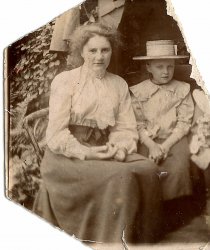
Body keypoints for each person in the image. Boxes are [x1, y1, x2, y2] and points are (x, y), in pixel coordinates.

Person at [33, 23, 162, 243]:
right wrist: (87, 153)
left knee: (148, 169)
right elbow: (56, 135)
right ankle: (112, 242)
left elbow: (125, 127)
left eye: (105, 50)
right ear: (81, 51)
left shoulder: (118, 84)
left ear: (112, 50)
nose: (99, 57)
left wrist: (120, 148)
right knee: (122, 177)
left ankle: (141, 241)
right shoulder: (65, 81)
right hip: (67, 155)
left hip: (105, 147)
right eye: (92, 50)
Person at [130, 40, 194, 201]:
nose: (165, 72)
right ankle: (151, 208)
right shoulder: (138, 92)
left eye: (170, 66)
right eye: (159, 67)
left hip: (174, 138)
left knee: (178, 169)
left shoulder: (182, 89)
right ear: (148, 67)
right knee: (146, 167)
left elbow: (184, 122)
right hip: (147, 140)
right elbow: (137, 124)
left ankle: (175, 209)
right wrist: (152, 146)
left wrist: (165, 146)